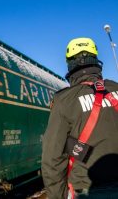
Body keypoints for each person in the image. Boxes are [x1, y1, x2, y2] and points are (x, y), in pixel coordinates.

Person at [41, 37, 118, 199]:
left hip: (87, 190)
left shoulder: (64, 100)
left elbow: (53, 158)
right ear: (96, 60)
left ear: (70, 64)